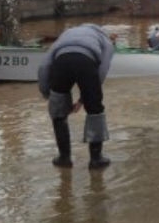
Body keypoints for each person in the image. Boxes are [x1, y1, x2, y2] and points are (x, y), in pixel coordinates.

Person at [37, 24, 114, 170]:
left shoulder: (66, 34)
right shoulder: (106, 40)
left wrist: (47, 94)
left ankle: (64, 159)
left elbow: (44, 66)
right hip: (86, 62)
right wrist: (85, 98)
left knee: (58, 112)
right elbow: (102, 70)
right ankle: (96, 160)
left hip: (62, 61)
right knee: (95, 111)